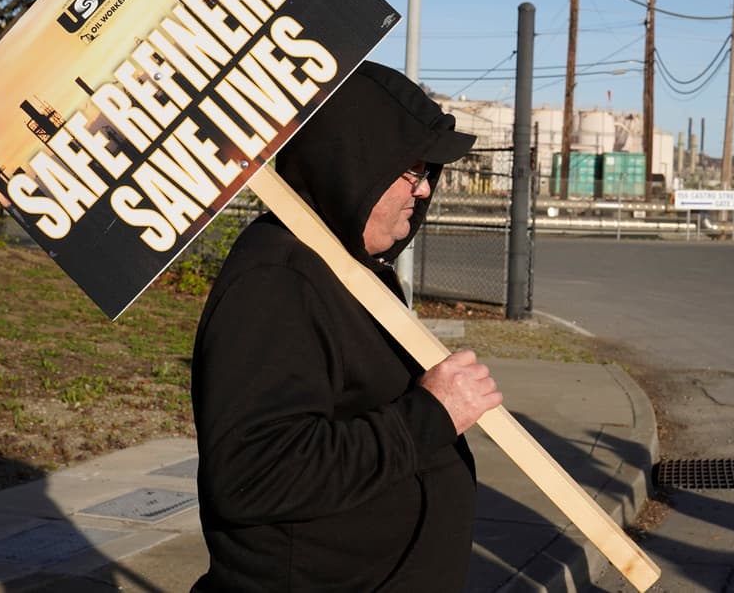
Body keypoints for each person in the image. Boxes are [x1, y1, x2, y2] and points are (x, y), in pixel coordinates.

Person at [190, 61, 503, 591]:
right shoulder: (277, 281)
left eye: (428, 173)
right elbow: (252, 475)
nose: (424, 190)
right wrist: (429, 415)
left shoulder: (342, 264)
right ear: (352, 165)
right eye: (412, 170)